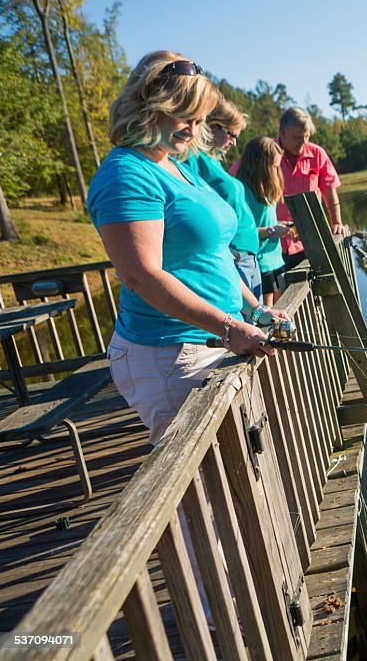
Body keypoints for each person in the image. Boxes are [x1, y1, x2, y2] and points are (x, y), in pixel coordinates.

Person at [88, 50, 287, 444]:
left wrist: (255, 309)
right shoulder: (126, 173)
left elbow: (213, 256)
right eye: (186, 118)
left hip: (211, 340)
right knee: (202, 495)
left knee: (234, 476)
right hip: (170, 355)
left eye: (200, 121)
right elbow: (141, 275)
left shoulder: (173, 164)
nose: (194, 132)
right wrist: (229, 328)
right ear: (150, 107)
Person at [233, 107, 348, 272]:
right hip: (272, 248)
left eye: (306, 137)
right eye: (297, 137)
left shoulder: (317, 154)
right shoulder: (265, 152)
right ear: (283, 132)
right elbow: (233, 182)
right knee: (283, 294)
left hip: (311, 241)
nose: (302, 142)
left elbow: (329, 190)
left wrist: (336, 222)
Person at [182, 98, 263, 300]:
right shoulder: (193, 158)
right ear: (214, 127)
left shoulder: (214, 161)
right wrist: (224, 250)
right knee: (248, 325)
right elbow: (194, 207)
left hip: (247, 254)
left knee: (259, 323)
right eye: (232, 134)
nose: (234, 141)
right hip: (235, 256)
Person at [235, 137, 290, 305]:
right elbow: (241, 231)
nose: (276, 171)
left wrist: (280, 225)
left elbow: (264, 220)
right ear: (260, 164)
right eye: (274, 167)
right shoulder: (243, 191)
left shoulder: (265, 189)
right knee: (268, 313)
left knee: (284, 307)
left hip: (276, 259)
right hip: (260, 263)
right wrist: (272, 231)